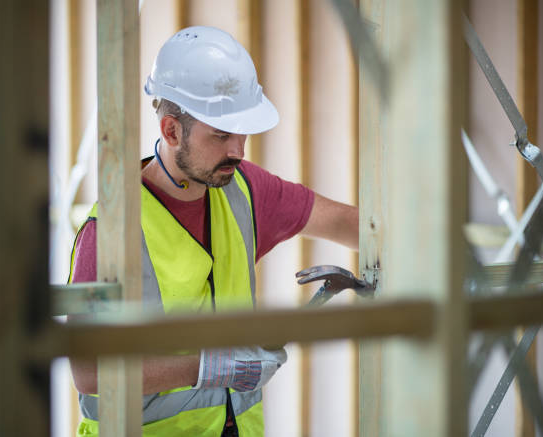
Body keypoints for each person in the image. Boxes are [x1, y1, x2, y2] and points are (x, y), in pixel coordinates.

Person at [68, 25, 358, 437]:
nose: (238, 151)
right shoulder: (110, 232)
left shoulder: (243, 187)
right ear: (171, 131)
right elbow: (88, 370)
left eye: (242, 133)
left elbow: (349, 223)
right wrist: (210, 367)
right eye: (221, 135)